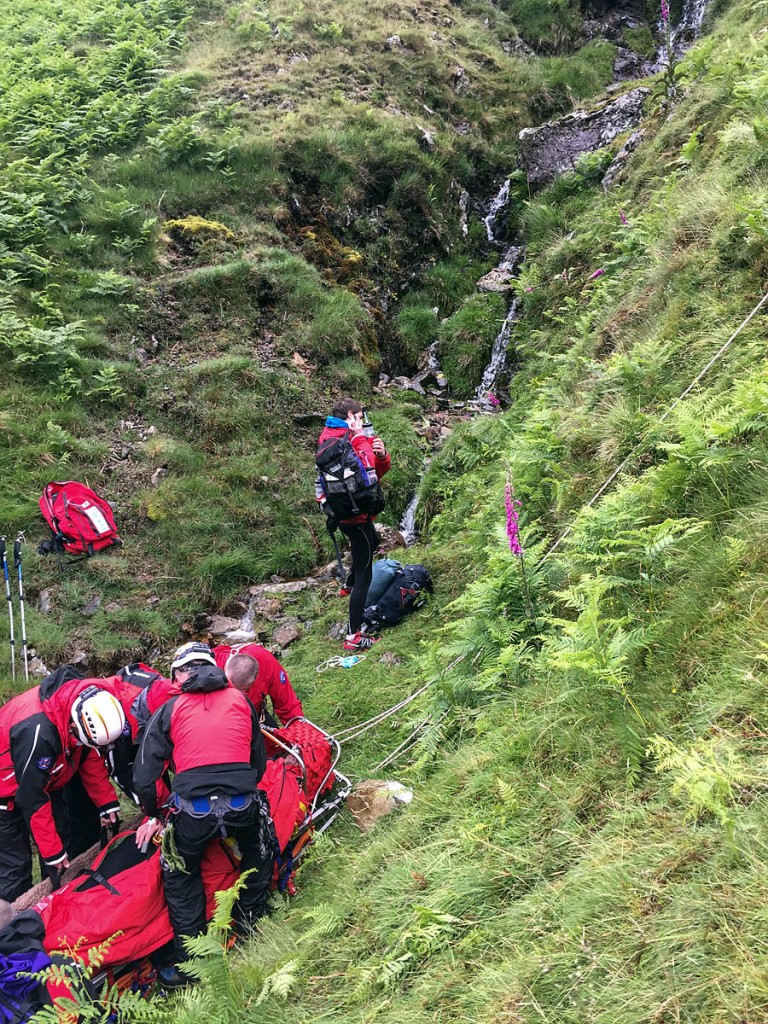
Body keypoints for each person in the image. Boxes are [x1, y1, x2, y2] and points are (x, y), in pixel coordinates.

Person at [133, 643, 274, 986]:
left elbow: (144, 777)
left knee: (181, 874)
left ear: (179, 675)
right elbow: (257, 763)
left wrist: (155, 814)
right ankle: (251, 920)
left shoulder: (169, 709)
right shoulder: (241, 700)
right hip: (242, 803)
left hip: (193, 812)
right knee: (260, 847)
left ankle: (192, 959)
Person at [0, 670, 124, 902]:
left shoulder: (85, 708)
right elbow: (32, 797)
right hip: (6, 789)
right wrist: (51, 853)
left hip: (50, 779)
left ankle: (57, 909)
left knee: (62, 850)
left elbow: (88, 756)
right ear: (74, 726)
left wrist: (106, 803)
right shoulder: (38, 733)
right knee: (14, 869)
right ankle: (13, 928)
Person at [316, 398, 391, 652]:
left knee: (373, 541)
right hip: (355, 516)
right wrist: (362, 439)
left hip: (343, 512)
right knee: (365, 574)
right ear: (351, 415)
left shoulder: (329, 436)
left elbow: (369, 469)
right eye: (360, 416)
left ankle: (348, 584)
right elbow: (369, 472)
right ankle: (353, 635)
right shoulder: (348, 440)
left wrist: (380, 454)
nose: (363, 420)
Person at [212, 643, 302, 725]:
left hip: (256, 714)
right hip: (222, 721)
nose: (242, 693)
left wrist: (300, 731)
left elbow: (287, 704)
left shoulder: (266, 663)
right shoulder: (209, 670)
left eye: (245, 689)